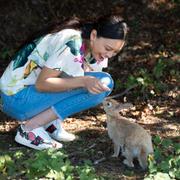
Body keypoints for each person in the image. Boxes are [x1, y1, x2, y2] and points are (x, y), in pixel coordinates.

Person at [0, 14, 128, 150]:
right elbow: (42, 83)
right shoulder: (72, 41)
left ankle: (49, 123)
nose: (109, 55)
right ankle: (30, 129)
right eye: (108, 49)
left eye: (115, 52)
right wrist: (84, 81)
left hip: (24, 96)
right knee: (102, 82)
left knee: (100, 83)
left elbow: (76, 75)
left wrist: (84, 79)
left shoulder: (94, 48)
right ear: (94, 35)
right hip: (15, 98)